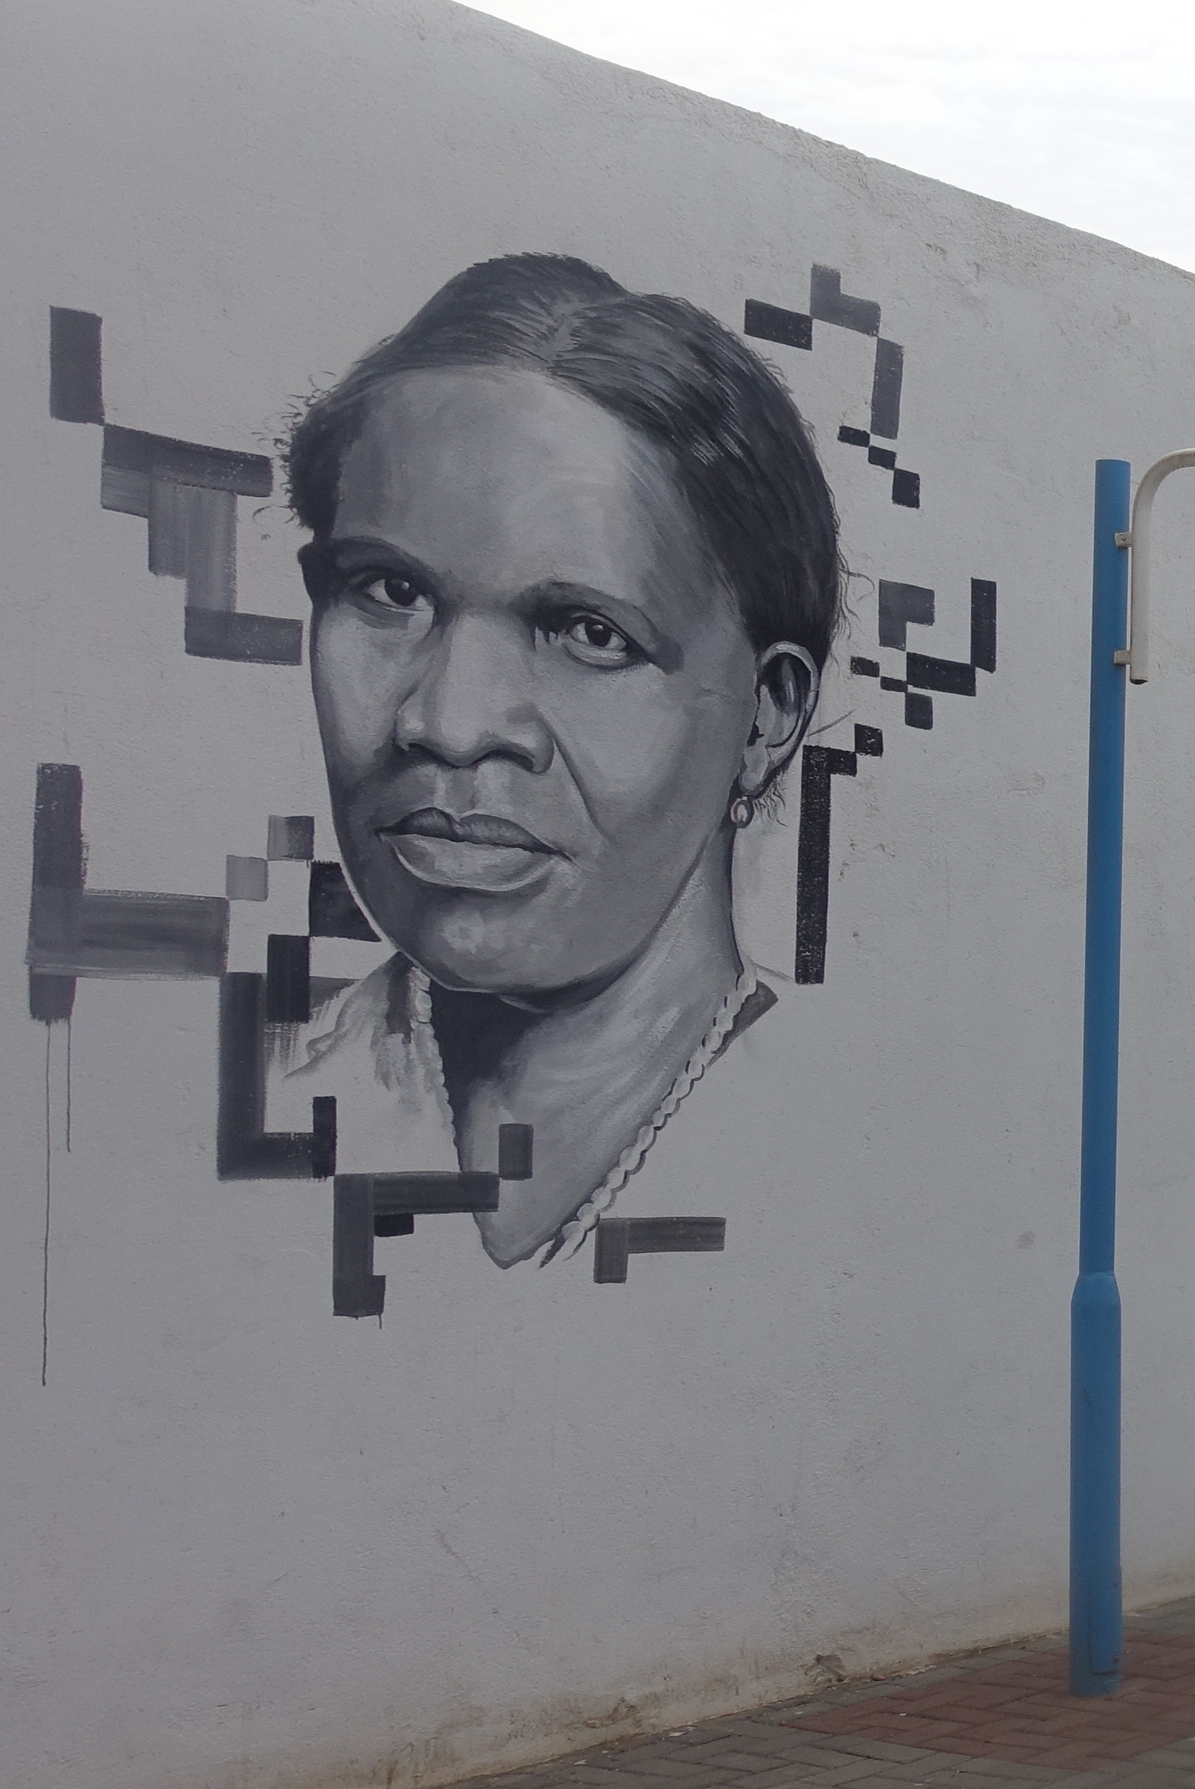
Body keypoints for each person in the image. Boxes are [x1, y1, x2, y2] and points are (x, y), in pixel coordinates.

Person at [279, 253, 836, 1269]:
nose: (451, 724)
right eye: (389, 592)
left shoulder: (845, 1154)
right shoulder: (265, 1104)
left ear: (769, 716)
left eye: (589, 632)